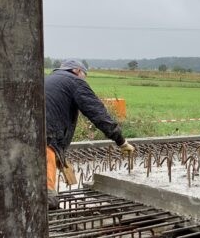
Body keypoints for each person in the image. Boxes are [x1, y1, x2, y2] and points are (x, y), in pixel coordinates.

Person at [45, 59, 135, 209]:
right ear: (77, 71)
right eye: (84, 75)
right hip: (46, 141)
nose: (84, 79)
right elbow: (98, 114)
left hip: (27, 137)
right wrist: (121, 141)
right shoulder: (75, 82)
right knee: (47, 200)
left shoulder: (47, 80)